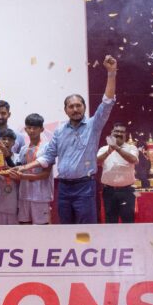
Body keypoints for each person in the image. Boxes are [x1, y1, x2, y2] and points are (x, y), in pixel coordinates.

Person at [17, 55, 118, 224]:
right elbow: (48, 157)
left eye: (78, 105)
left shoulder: (94, 125)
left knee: (86, 230)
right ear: (65, 110)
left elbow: (107, 103)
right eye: (71, 106)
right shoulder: (59, 131)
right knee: (66, 229)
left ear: (84, 107)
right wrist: (25, 167)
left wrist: (111, 73)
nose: (75, 109)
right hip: (64, 188)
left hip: (85, 187)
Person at [11, 114, 53, 225]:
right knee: (24, 226)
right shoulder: (23, 149)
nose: (32, 130)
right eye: (29, 127)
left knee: (42, 228)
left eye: (35, 128)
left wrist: (23, 176)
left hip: (40, 196)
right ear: (25, 129)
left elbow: (46, 174)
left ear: (42, 129)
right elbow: (19, 168)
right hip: (24, 195)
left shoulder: (47, 147)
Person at [97, 122, 139, 223]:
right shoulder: (103, 149)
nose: (119, 134)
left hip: (127, 191)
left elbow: (133, 160)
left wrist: (117, 148)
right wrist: (109, 151)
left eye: (122, 132)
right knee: (110, 222)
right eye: (116, 131)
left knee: (128, 222)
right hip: (109, 191)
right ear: (111, 133)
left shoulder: (131, 148)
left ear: (125, 134)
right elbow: (96, 162)